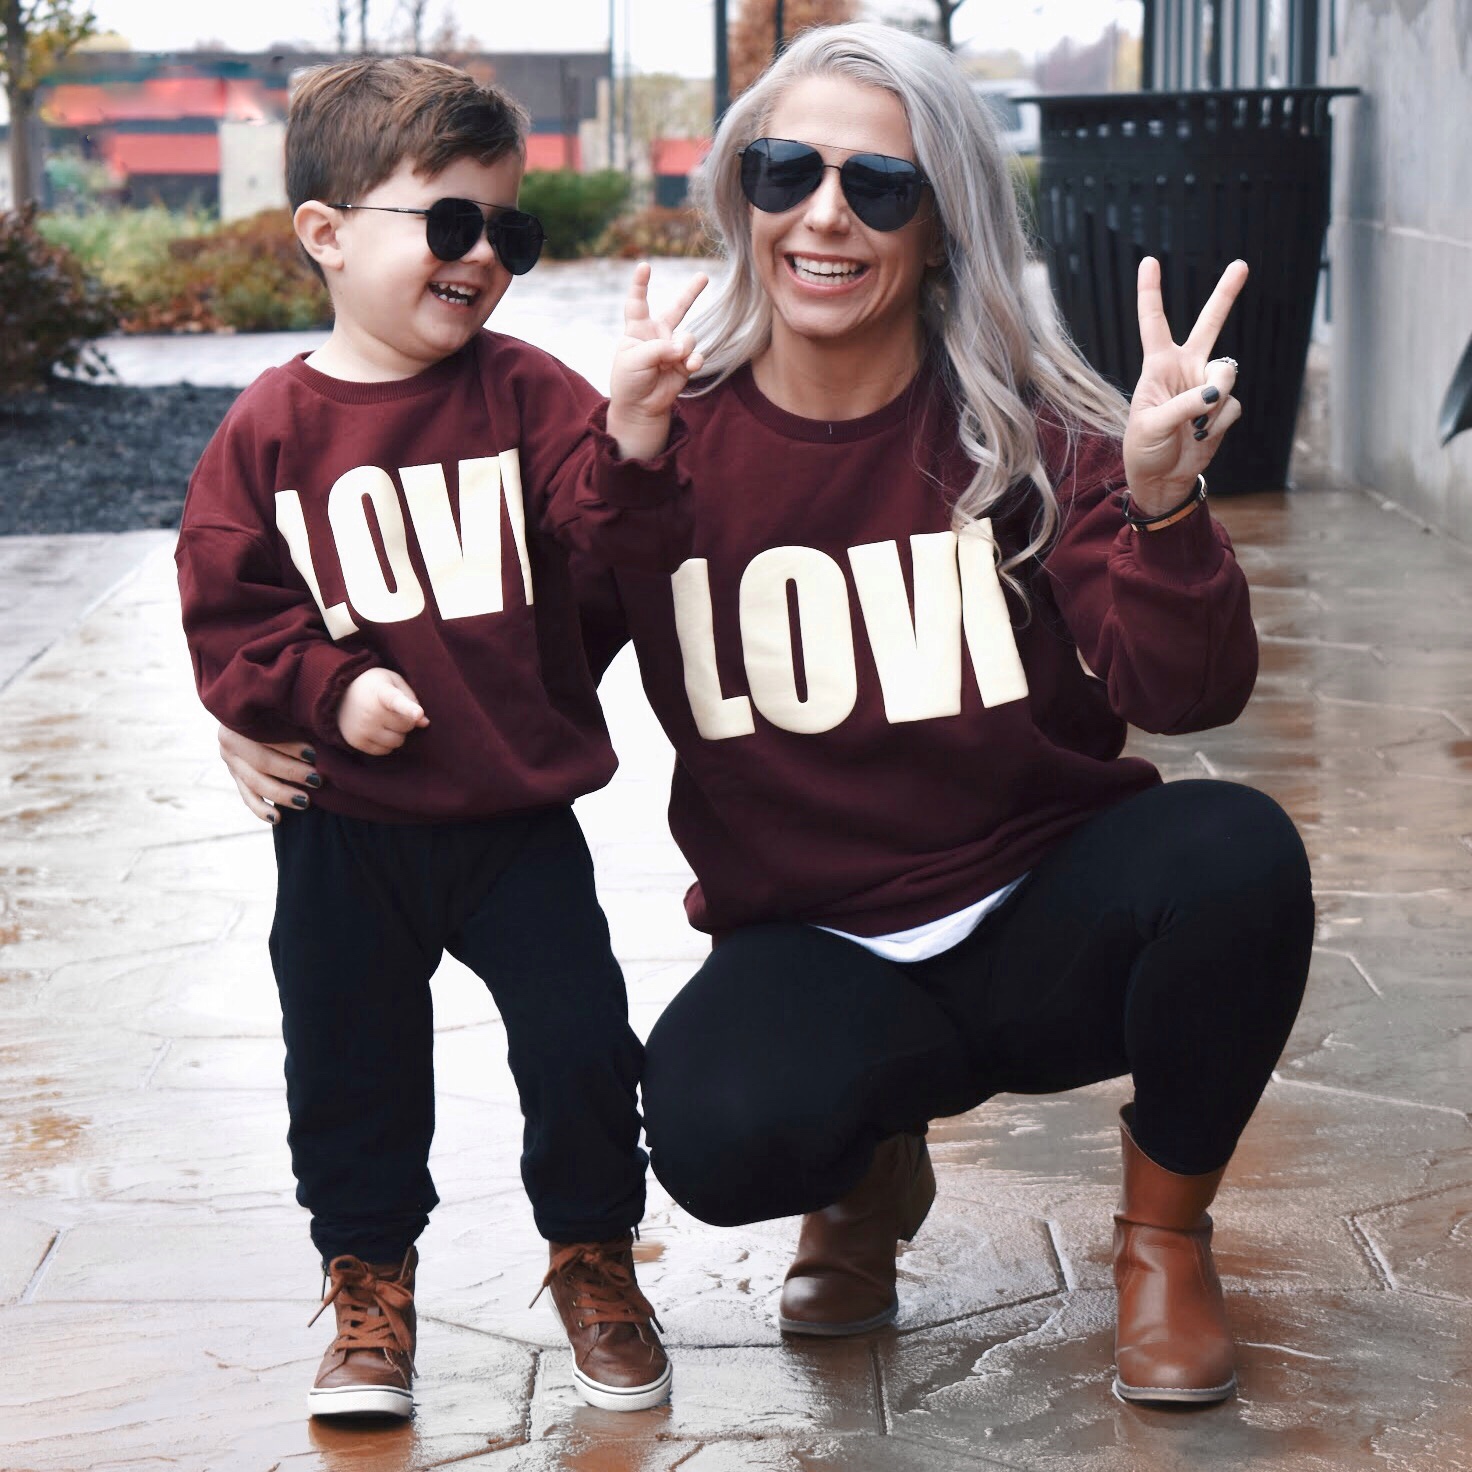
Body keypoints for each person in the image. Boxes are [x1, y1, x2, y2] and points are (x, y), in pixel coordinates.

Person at [217, 24, 1314, 1409]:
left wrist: (1160, 503)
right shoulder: (654, 452)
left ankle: (1163, 1241)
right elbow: (508, 646)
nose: (826, 215)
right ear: (743, 194)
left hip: (1041, 914)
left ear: (942, 224)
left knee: (1235, 860)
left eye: (882, 187)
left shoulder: (1028, 435)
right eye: (788, 170)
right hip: (822, 941)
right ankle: (860, 1172)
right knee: (717, 1127)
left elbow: (1186, 693)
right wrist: (271, 699)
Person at [176, 54, 706, 1420]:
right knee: (347, 1061)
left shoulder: (528, 396)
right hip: (345, 833)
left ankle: (594, 1255)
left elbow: (616, 539)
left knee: (582, 1040)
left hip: (514, 823)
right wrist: (318, 689)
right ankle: (369, 1292)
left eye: (507, 232)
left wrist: (638, 439)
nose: (483, 258)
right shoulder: (270, 434)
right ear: (327, 233)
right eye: (449, 223)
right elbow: (230, 607)